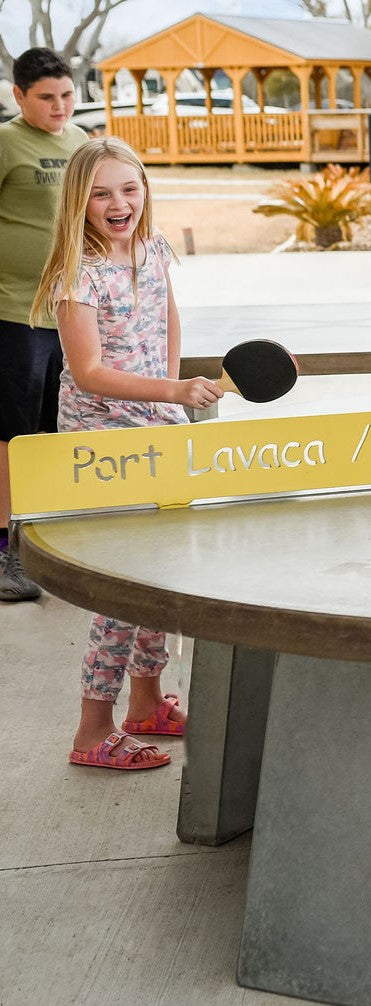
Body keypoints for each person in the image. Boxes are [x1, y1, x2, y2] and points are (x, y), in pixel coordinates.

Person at [30, 137, 220, 770]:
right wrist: (173, 389)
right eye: (102, 193)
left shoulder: (152, 248)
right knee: (122, 591)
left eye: (129, 188)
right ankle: (92, 731)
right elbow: (87, 372)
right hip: (101, 445)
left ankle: (145, 702)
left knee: (160, 578)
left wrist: (167, 403)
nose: (119, 203)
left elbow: (166, 326)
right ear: (79, 202)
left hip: (152, 429)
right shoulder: (74, 275)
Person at [0, 47, 88, 602]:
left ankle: (47, 545)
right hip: (12, 314)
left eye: (66, 95)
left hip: (71, 311)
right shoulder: (6, 142)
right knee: (12, 436)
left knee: (59, 430)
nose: (59, 107)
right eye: (46, 98)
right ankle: (6, 554)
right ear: (19, 96)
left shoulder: (81, 142)